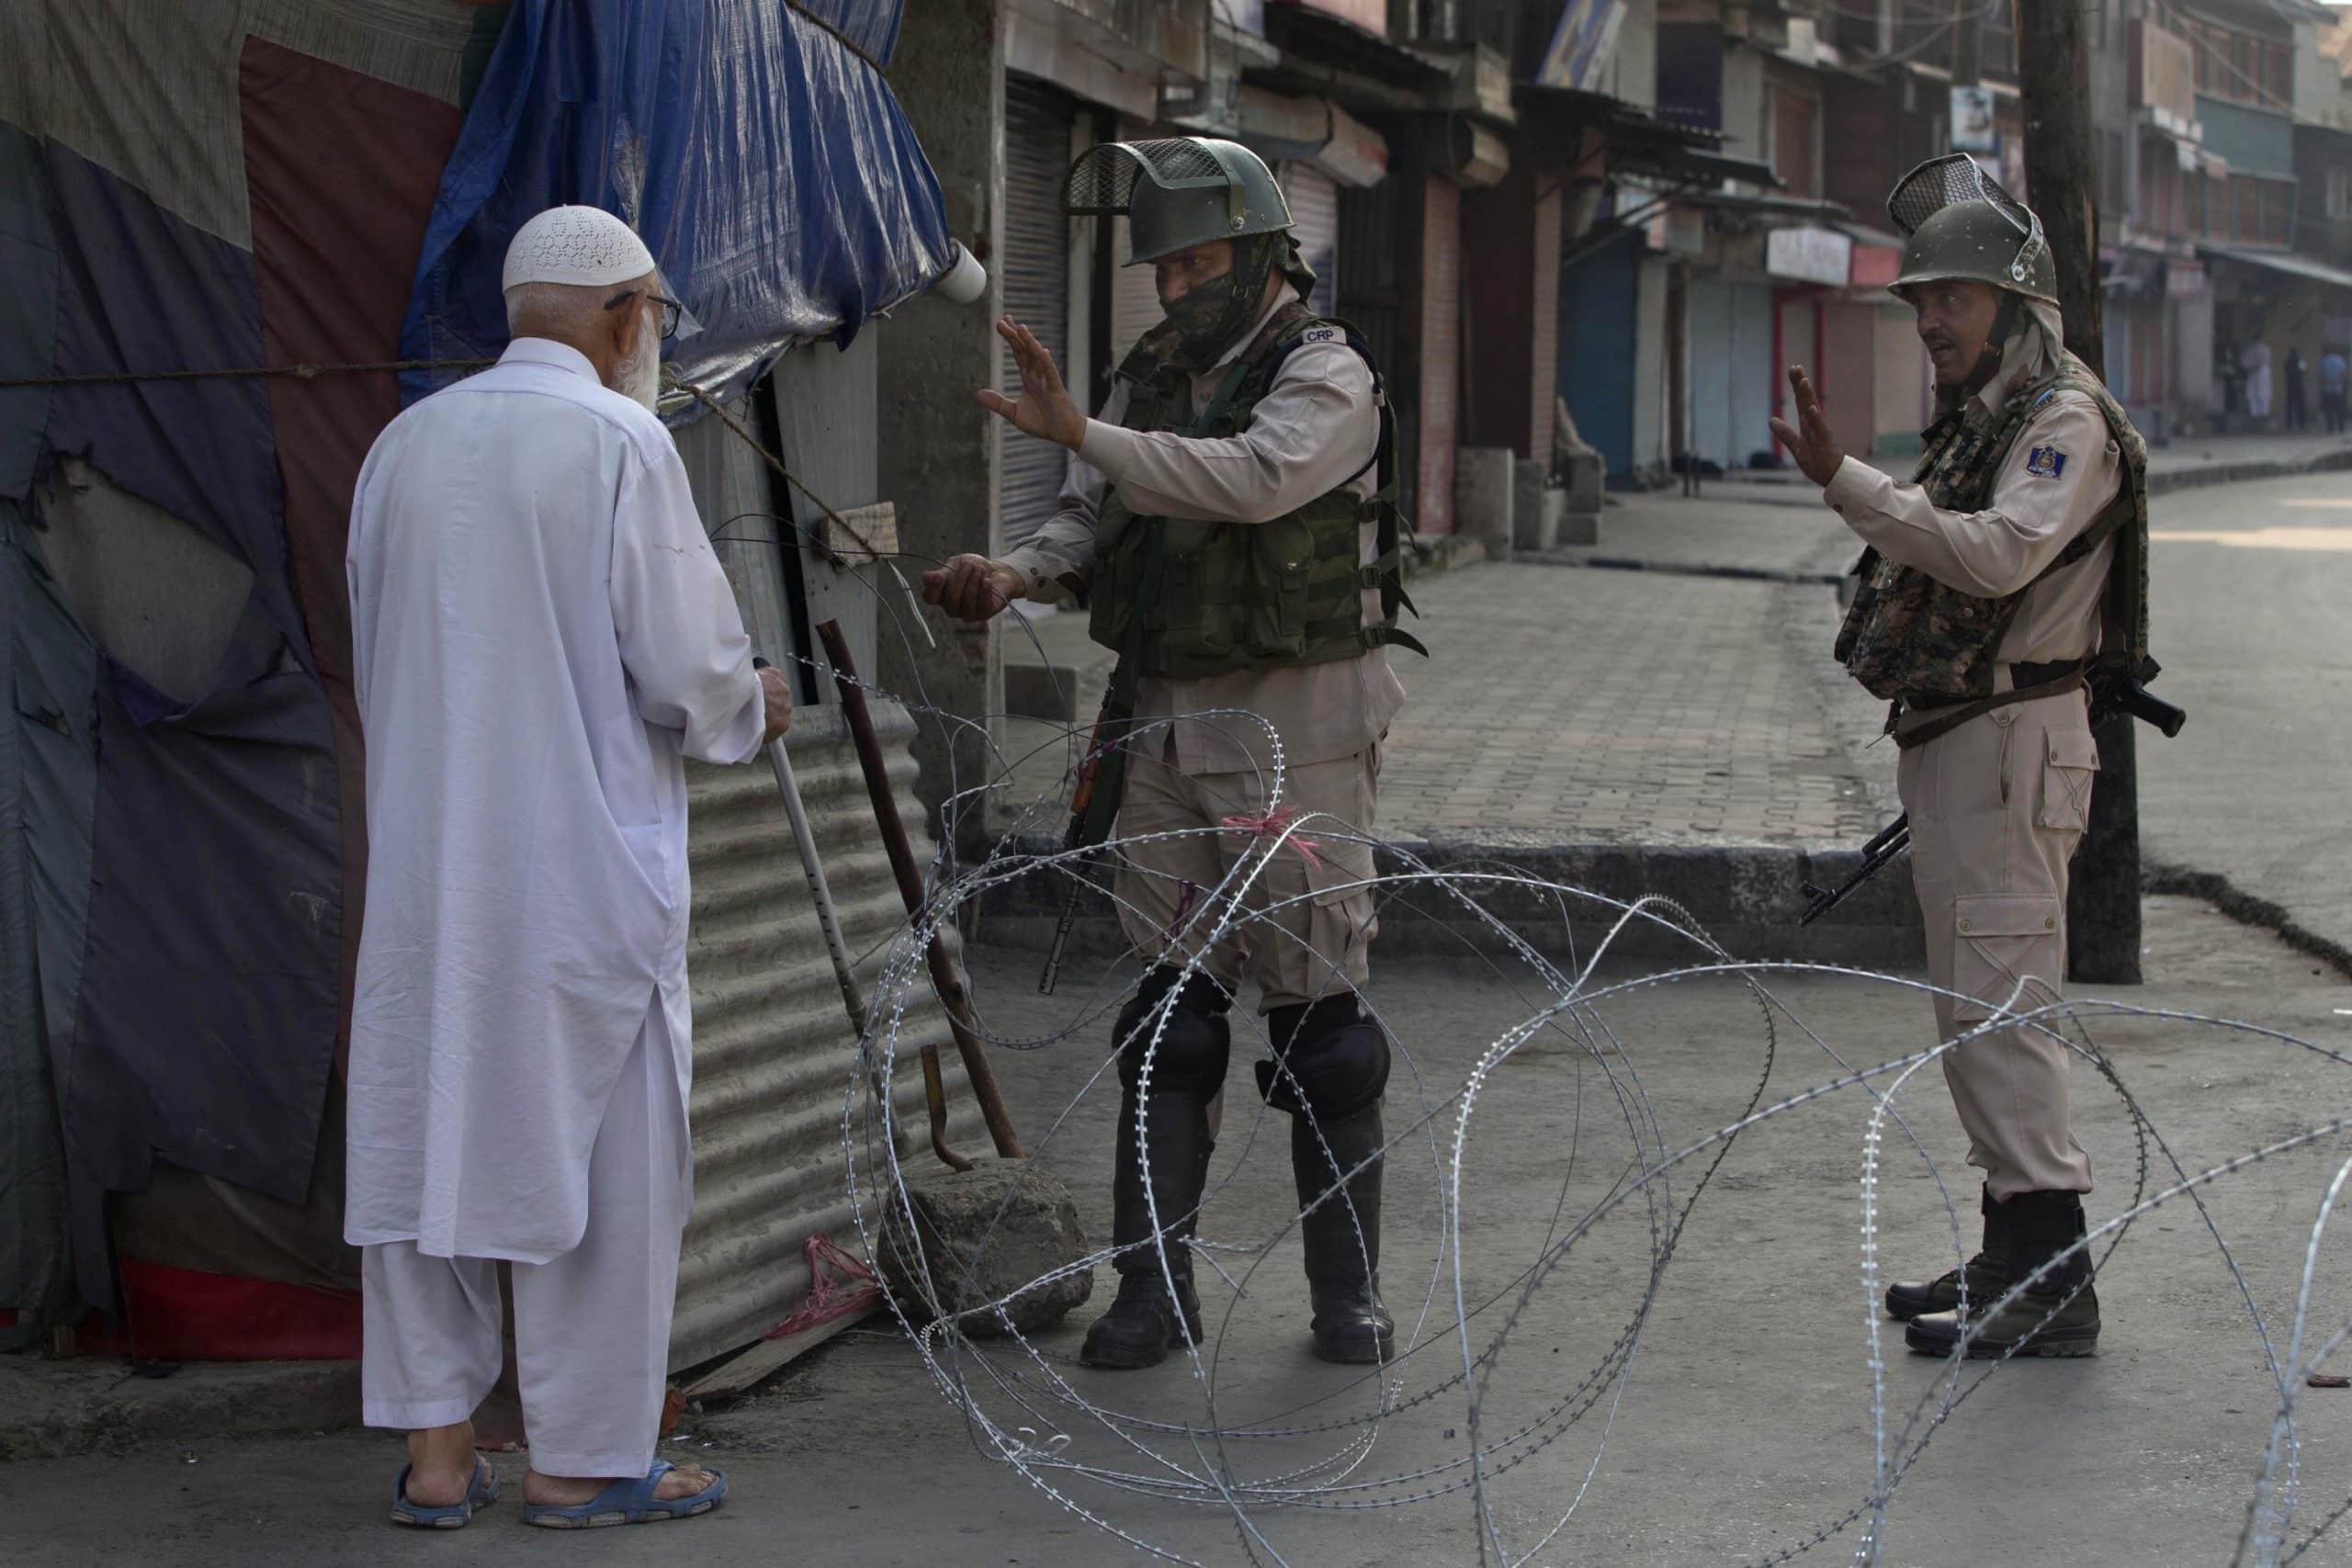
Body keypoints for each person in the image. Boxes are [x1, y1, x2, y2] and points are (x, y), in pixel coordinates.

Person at [922, 137, 1420, 1369]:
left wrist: (1084, 429)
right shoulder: (1149, 375)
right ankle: (1156, 1288)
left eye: (1202, 259)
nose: (1180, 285)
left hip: (1296, 720)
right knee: (1170, 1017)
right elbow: (1095, 517)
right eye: (1164, 266)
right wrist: (1016, 572)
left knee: (1323, 1030)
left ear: (1261, 252)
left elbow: (1249, 482)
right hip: (1167, 711)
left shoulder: (1326, 372)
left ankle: (1345, 1292)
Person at [345, 205, 791, 1528]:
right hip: (582, 878)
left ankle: (438, 1460)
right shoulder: (619, 440)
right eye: (651, 312)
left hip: (431, 872)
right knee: (608, 1170)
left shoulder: (401, 445)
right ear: (620, 317)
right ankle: (580, 1460)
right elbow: (691, 671)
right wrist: (752, 695)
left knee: (426, 1149)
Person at [1772, 155, 2151, 1360]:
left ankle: (2053, 1276)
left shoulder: (2065, 421)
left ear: (2017, 305)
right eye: (1919, 298)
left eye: (1953, 297)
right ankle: (2012, 1245)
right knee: (1973, 1011)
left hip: (2011, 743)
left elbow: (1994, 557)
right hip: (1961, 741)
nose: (1929, 318)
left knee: (2005, 1011)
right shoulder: (1993, 419)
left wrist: (1848, 483)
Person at [2242, 337, 2274, 424]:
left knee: (2262, 393)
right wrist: (2250, 368)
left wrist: (2254, 367)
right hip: (2252, 372)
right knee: (2252, 394)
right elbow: (2244, 362)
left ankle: (2263, 414)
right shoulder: (2250, 350)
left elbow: (2264, 360)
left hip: (2261, 372)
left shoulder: (2264, 349)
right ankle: (2255, 415)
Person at [2322, 346, 2348, 435]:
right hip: (2338, 389)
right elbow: (2344, 374)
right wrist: (2337, 382)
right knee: (2339, 410)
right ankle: (2341, 428)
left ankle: (2331, 428)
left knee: (2328, 410)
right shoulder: (2340, 360)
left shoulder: (2324, 361)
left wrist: (2328, 383)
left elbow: (2321, 375)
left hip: (2327, 389)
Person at [2285, 345, 2310, 434]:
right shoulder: (2300, 361)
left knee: (2290, 406)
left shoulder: (2288, 361)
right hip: (2299, 386)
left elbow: (2285, 371)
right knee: (2300, 406)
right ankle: (2301, 424)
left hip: (2291, 386)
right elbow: (2305, 371)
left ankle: (2290, 425)